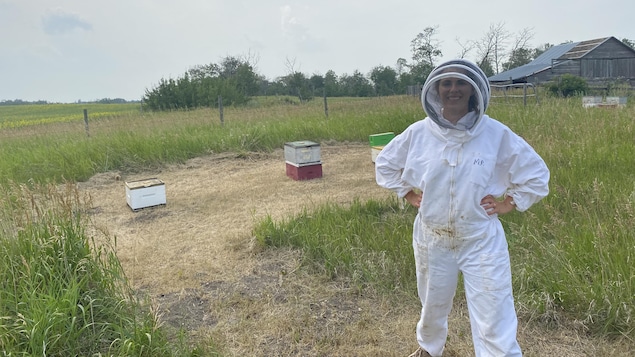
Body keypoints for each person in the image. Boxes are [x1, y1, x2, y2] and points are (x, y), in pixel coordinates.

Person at [374, 59, 550, 357]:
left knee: (494, 308)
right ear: (435, 90)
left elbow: (535, 174)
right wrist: (407, 193)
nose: (453, 89)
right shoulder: (418, 133)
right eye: (446, 83)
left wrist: (509, 203)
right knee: (432, 303)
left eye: (460, 83)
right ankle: (429, 349)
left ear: (473, 89)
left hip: (480, 238)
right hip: (433, 237)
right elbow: (386, 164)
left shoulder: (495, 134)